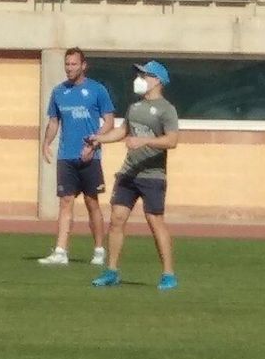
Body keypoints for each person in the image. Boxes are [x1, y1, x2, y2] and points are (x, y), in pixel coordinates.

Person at [89, 61, 181, 291]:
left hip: (153, 175)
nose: (139, 79)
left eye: (144, 75)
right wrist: (99, 138)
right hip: (129, 172)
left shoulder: (166, 109)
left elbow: (172, 140)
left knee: (154, 221)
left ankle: (168, 274)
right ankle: (111, 271)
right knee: (117, 219)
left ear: (157, 80)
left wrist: (144, 141)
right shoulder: (135, 107)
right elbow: (122, 131)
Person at [38, 47, 115, 266]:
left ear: (83, 65)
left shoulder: (97, 90)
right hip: (66, 156)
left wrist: (94, 141)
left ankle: (99, 249)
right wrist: (46, 143)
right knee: (65, 201)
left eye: (73, 64)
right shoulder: (58, 92)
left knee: (92, 203)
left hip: (90, 157)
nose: (69, 68)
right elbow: (54, 122)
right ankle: (61, 251)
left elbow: (109, 121)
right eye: (67, 64)